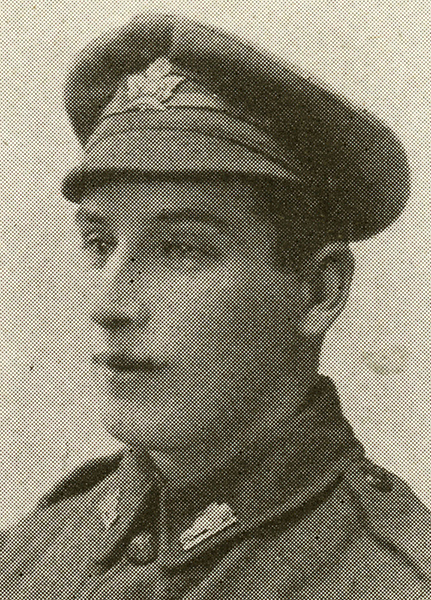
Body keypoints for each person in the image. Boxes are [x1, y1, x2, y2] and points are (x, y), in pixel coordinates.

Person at [1, 12, 429, 599]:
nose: (107, 303)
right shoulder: (36, 550)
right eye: (99, 244)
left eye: (178, 249)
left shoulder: (389, 578)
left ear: (319, 291)